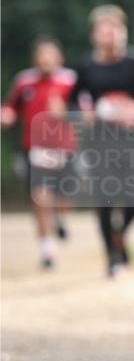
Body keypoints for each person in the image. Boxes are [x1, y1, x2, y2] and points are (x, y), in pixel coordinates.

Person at [69, 5, 134, 277]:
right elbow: (73, 98)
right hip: (100, 139)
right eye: (104, 29)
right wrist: (82, 111)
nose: (110, 35)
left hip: (132, 139)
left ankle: (120, 234)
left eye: (115, 29)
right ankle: (111, 256)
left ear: (123, 31)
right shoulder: (86, 66)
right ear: (94, 35)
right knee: (104, 198)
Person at [2, 37, 76, 268]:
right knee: (40, 196)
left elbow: (83, 110)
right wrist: (7, 115)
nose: (45, 59)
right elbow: (11, 106)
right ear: (35, 58)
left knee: (63, 196)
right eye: (41, 55)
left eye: (50, 54)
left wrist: (65, 112)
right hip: (35, 148)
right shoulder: (24, 82)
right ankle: (47, 250)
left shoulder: (70, 81)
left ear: (59, 58)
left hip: (64, 147)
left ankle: (60, 218)